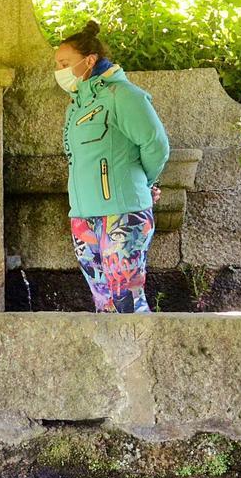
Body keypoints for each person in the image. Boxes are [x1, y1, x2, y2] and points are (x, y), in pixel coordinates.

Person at [55, 21, 169, 313]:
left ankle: (144, 358)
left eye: (65, 63)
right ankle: (111, 360)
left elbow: (156, 145)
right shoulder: (75, 106)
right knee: (103, 303)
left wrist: (144, 183)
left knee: (126, 300)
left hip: (122, 213)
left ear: (89, 60)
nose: (59, 71)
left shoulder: (124, 95)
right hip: (83, 216)